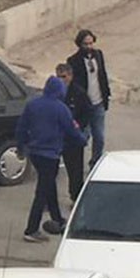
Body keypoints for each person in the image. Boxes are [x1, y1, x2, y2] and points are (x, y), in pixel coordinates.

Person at [14, 75, 86, 243]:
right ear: (60, 91)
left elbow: (21, 127)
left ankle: (58, 220)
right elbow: (71, 131)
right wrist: (82, 140)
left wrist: (20, 147)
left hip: (35, 154)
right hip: (51, 154)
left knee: (49, 186)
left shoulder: (33, 104)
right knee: (42, 193)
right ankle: (31, 229)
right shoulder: (61, 108)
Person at [66, 29, 111, 163]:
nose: (89, 47)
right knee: (83, 136)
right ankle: (75, 162)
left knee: (100, 138)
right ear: (80, 44)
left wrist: (106, 95)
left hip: (98, 103)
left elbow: (103, 76)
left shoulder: (98, 55)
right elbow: (72, 84)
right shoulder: (73, 60)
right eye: (86, 44)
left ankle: (95, 163)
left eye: (91, 43)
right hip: (84, 105)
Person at [54, 61, 86, 201]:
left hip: (72, 137)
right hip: (56, 137)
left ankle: (76, 198)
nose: (61, 80)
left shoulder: (79, 93)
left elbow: (88, 112)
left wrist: (79, 125)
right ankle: (48, 200)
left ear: (71, 76)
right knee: (50, 172)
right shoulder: (53, 92)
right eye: (58, 77)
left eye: (64, 76)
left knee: (75, 172)